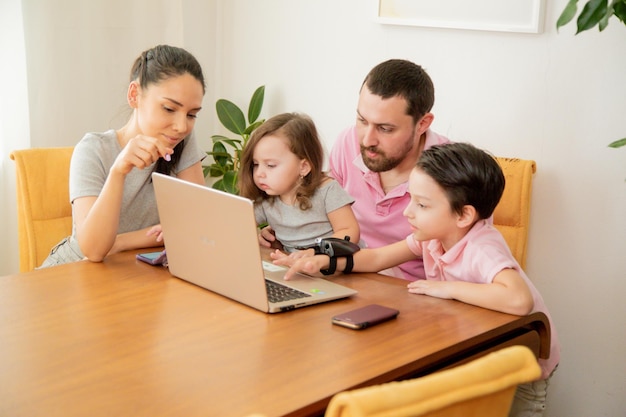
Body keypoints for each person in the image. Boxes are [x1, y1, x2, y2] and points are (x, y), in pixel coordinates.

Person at [274, 142, 560, 416]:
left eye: (422, 205)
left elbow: (519, 299)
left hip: (522, 365)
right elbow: (377, 258)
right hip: (480, 350)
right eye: (411, 199)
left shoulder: (481, 247)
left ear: (464, 215)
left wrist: (448, 288)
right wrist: (323, 262)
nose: (409, 212)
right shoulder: (432, 237)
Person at [259, 59, 449, 280]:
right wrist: (284, 230)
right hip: (343, 273)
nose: (367, 140)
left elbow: (465, 259)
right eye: (362, 120)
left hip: (409, 289)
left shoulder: (452, 170)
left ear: (423, 123)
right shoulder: (347, 142)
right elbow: (324, 211)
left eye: (385, 129)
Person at [40, 44, 207, 267]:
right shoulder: (93, 150)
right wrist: (118, 171)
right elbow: (94, 250)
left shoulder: (180, 141)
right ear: (134, 95)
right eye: (169, 108)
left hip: (131, 266)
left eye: (192, 114)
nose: (181, 125)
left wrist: (120, 242)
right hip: (74, 268)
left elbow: (199, 222)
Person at [238, 112, 359, 254]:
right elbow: (238, 226)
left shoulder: (327, 191)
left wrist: (316, 252)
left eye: (270, 165)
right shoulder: (266, 199)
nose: (259, 173)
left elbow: (349, 231)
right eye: (256, 164)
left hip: (336, 268)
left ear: (303, 167)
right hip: (297, 269)